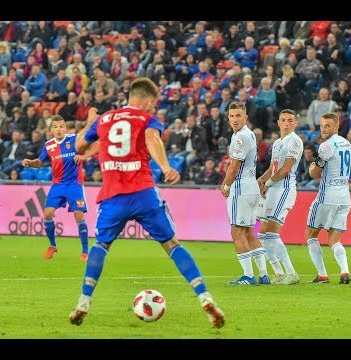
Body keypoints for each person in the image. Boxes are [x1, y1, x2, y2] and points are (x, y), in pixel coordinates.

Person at [69, 77, 225, 328]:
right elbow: (152, 138)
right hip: (143, 193)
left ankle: (83, 301)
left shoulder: (104, 119)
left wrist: (90, 123)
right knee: (172, 245)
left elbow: (78, 144)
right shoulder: (147, 120)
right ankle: (205, 297)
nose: (153, 109)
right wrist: (165, 166)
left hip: (112, 195)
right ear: (148, 101)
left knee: (101, 245)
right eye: (154, 104)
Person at [21, 115, 98, 262]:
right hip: (57, 185)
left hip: (74, 185)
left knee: (78, 215)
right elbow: (39, 162)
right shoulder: (49, 145)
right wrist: (30, 162)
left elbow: (97, 144)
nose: (58, 129)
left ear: (65, 128)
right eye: (55, 127)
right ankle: (52, 245)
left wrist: (85, 156)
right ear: (51, 129)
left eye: (61, 126)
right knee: (48, 213)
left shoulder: (75, 139)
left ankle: (85, 251)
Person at [305, 112, 351, 284]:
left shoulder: (326, 146)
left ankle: (322, 275)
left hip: (327, 196)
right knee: (334, 239)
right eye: (322, 125)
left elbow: (315, 173)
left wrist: (312, 167)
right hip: (344, 198)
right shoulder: (347, 144)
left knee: (310, 234)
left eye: (327, 126)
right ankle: (344, 272)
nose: (323, 129)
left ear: (336, 127)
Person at [221, 101, 269, 285]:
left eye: (238, 115)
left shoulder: (240, 137)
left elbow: (234, 166)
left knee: (236, 232)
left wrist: (226, 185)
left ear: (245, 117)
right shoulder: (249, 135)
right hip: (251, 188)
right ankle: (263, 275)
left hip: (240, 188)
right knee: (249, 232)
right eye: (232, 116)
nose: (234, 119)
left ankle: (248, 276)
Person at [257, 109, 303, 284]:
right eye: (283, 120)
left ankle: (291, 273)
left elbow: (285, 170)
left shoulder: (295, 141)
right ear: (278, 122)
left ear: (295, 123)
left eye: (290, 120)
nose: (286, 123)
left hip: (284, 188)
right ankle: (278, 271)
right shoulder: (277, 143)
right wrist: (261, 179)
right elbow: (273, 168)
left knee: (271, 234)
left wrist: (267, 184)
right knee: (262, 234)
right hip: (272, 188)